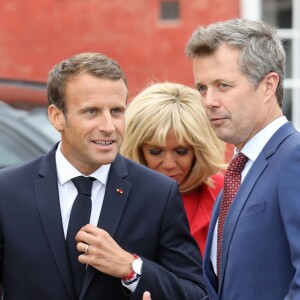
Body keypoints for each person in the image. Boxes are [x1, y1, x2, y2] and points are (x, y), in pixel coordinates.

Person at [0, 53, 208, 300]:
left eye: (117, 111)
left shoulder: (158, 194)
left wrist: (131, 268)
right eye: (92, 112)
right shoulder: (7, 190)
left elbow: (195, 293)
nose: (109, 126)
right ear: (57, 117)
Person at [184, 18, 300, 299]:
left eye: (223, 85)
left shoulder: (293, 158)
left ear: (268, 85)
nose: (209, 100)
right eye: (202, 88)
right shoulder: (237, 173)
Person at [121, 82, 226, 256]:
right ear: (137, 149)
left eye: (181, 151)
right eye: (155, 152)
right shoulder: (115, 195)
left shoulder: (228, 193)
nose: (169, 163)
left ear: (200, 150)